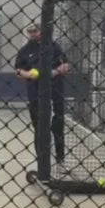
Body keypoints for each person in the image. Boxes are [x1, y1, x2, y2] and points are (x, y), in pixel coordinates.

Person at [14, 23, 71, 166]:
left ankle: (60, 158)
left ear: (41, 31)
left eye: (35, 31)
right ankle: (41, 159)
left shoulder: (54, 47)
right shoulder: (25, 50)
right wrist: (28, 74)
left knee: (57, 125)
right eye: (30, 32)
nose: (32, 34)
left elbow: (66, 65)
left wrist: (54, 72)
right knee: (39, 127)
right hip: (35, 93)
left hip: (55, 91)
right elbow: (18, 71)